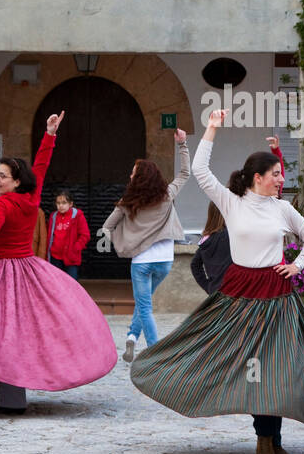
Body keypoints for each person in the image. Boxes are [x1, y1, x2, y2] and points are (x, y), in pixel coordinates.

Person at [131, 109, 304, 454]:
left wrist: (297, 265)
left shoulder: (283, 209)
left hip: (277, 296)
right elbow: (200, 172)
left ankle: (269, 440)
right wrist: (212, 129)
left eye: (281, 173)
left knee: (275, 369)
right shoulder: (232, 204)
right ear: (257, 178)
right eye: (276, 174)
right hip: (237, 298)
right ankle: (267, 438)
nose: (281, 178)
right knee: (245, 367)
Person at [0, 112, 117, 413]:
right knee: (20, 331)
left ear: (16, 181)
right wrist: (49, 135)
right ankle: (9, 394)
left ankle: (10, 397)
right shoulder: (30, 198)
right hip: (30, 269)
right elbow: (41, 167)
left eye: (2, 176)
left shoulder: (4, 204)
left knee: (1, 330)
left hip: (3, 269)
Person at [103, 130, 191, 362]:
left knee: (145, 308)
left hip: (141, 263)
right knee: (145, 304)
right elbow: (185, 173)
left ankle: (156, 355)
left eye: (133, 174)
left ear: (140, 178)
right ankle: (132, 336)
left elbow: (106, 228)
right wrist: (182, 144)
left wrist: (122, 242)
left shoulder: (128, 203)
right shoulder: (167, 195)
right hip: (165, 261)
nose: (130, 176)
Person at [189, 202, 232, 295]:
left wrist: (208, 286)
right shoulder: (231, 235)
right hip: (233, 292)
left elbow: (194, 264)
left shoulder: (207, 238)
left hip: (215, 290)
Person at [47, 191, 91, 280]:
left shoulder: (77, 216)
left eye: (64, 203)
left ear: (70, 204)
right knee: (57, 284)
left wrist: (74, 249)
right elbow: (50, 235)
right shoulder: (54, 216)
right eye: (58, 203)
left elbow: (85, 235)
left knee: (72, 283)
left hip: (71, 257)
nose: (61, 206)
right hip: (55, 257)